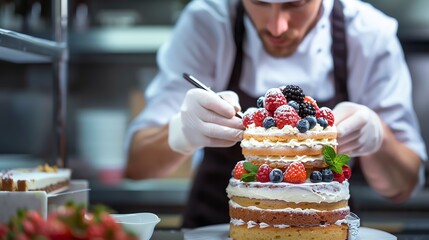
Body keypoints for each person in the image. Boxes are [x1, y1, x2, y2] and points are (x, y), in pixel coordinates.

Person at [124, 0, 427, 228]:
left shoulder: (368, 33)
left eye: (295, 4)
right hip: (216, 226)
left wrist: (378, 138)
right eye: (259, 2)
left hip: (324, 228)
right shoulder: (207, 22)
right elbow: (137, 165)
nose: (276, 26)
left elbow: (404, 186)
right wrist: (179, 133)